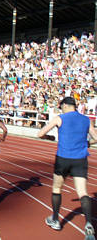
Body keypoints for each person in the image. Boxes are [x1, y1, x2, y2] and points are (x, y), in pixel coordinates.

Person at [38, 97, 97, 238]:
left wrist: (49, 138)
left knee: (57, 188)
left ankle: (56, 219)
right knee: (83, 192)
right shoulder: (86, 120)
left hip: (63, 158)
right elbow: (96, 137)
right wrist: (87, 144)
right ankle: (89, 224)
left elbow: (40, 133)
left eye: (61, 106)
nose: (61, 109)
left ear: (65, 105)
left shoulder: (60, 118)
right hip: (80, 159)